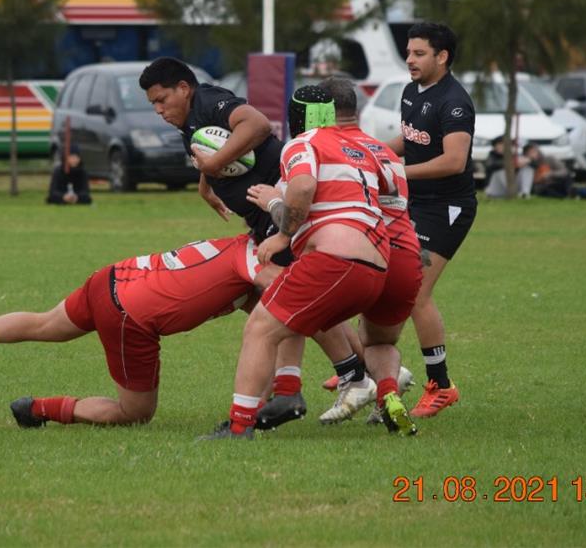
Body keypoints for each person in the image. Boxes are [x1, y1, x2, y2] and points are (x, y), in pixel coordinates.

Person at [201, 85, 404, 440]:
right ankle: (301, 389)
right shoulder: (364, 149)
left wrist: (281, 230)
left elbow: (305, 186)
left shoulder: (304, 142)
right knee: (287, 308)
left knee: (260, 328)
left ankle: (239, 427)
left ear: (300, 116)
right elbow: (395, 204)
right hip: (379, 266)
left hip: (338, 259)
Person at [0, 234, 271, 427]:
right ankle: (36, 409)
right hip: (129, 314)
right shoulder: (260, 263)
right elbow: (294, 312)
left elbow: (271, 332)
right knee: (135, 413)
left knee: (45, 323)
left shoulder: (239, 245)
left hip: (114, 278)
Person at [250, 81, 422, 433]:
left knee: (299, 307)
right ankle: (387, 394)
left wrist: (275, 206)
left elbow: (309, 195)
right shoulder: (383, 151)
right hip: (405, 255)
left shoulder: (324, 147)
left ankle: (334, 384)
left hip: (358, 251)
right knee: (379, 341)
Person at [387, 22, 475, 418]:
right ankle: (372, 368)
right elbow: (409, 140)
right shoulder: (411, 92)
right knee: (385, 280)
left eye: (419, 53)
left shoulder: (455, 102)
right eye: (408, 52)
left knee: (416, 292)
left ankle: (441, 385)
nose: (410, 59)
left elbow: (454, 161)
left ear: (442, 57)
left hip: (446, 207)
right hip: (414, 202)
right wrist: (369, 153)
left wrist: (398, 173)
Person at [138, 58, 287, 256]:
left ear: (183, 88)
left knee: (273, 279)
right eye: (153, 103)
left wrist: (213, 165)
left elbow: (257, 123)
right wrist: (205, 186)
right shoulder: (187, 120)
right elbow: (210, 152)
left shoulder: (207, 101)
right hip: (259, 218)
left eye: (161, 100)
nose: (157, 110)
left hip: (281, 205)